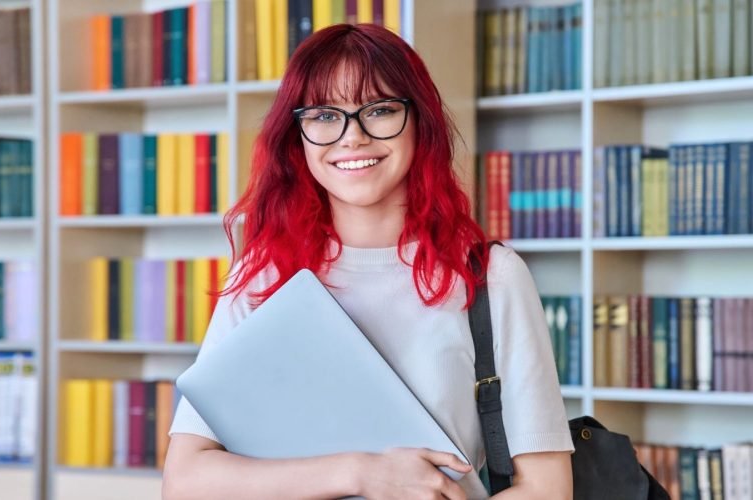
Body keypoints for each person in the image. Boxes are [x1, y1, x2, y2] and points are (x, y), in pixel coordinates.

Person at [163, 23, 574, 500]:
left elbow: (547, 489)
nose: (352, 137)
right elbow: (186, 481)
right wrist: (362, 473)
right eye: (323, 115)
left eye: (379, 110)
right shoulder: (263, 275)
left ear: (420, 122)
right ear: (297, 136)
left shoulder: (489, 275)